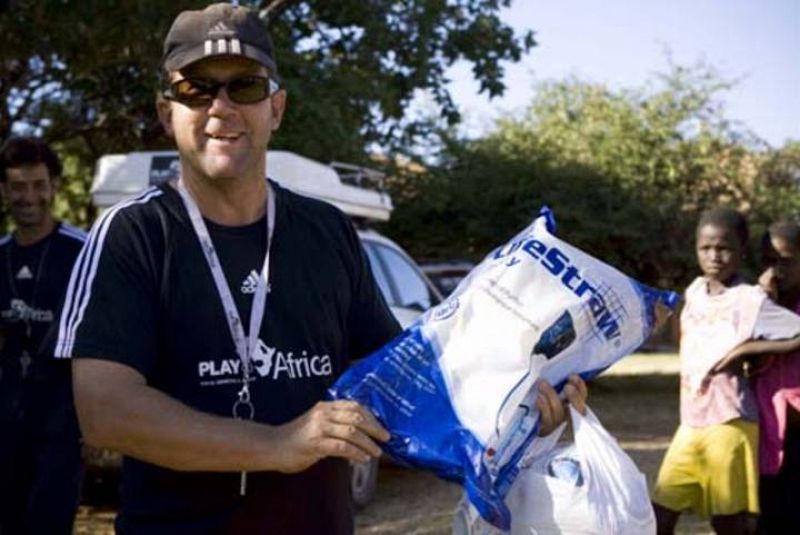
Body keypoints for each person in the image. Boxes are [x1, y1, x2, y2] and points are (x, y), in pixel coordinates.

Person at [52, 4, 586, 534]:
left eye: (245, 87)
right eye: (196, 89)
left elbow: (398, 384)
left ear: (276, 108)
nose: (221, 108)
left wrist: (514, 401)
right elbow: (106, 410)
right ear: (167, 112)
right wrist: (278, 444)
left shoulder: (326, 230)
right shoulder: (132, 234)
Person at [651, 208, 800, 535]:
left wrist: (743, 350)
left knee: (730, 521)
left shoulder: (750, 299)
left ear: (739, 251)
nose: (714, 256)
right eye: (706, 248)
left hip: (732, 419)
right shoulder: (693, 292)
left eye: (724, 248)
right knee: (659, 513)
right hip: (692, 421)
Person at [0, 137, 86, 534]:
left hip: (61, 426)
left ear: (53, 186)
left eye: (38, 185)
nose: (28, 196)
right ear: (4, 191)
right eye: (18, 186)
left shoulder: (83, 253)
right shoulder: (1, 256)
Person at [750, 221, 800, 534]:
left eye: (786, 260)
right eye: (769, 260)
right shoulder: (751, 304)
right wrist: (761, 303)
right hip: (766, 437)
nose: (776, 269)